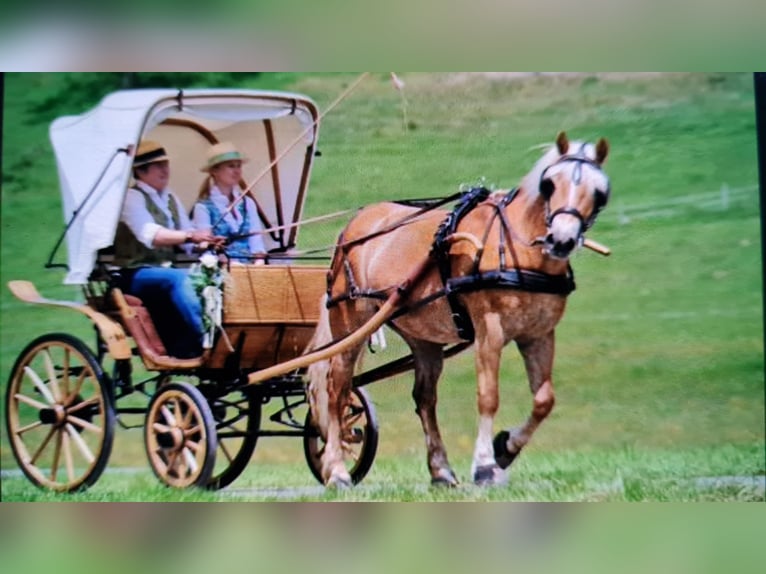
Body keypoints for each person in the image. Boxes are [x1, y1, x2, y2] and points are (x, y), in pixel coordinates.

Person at [113, 140, 223, 358]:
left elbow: (186, 236)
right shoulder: (131, 198)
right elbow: (152, 235)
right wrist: (192, 235)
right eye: (158, 166)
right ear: (141, 171)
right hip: (134, 272)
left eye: (166, 164)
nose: (165, 170)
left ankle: (209, 338)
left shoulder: (169, 198)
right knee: (178, 279)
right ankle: (208, 338)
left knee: (216, 276)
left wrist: (207, 243)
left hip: (166, 270)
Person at [192, 141, 267, 264]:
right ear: (215, 171)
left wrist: (258, 262)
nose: (237, 171)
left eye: (239, 166)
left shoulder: (248, 203)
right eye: (231, 166)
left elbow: (256, 241)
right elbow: (206, 249)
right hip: (220, 270)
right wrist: (229, 264)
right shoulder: (203, 207)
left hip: (250, 269)